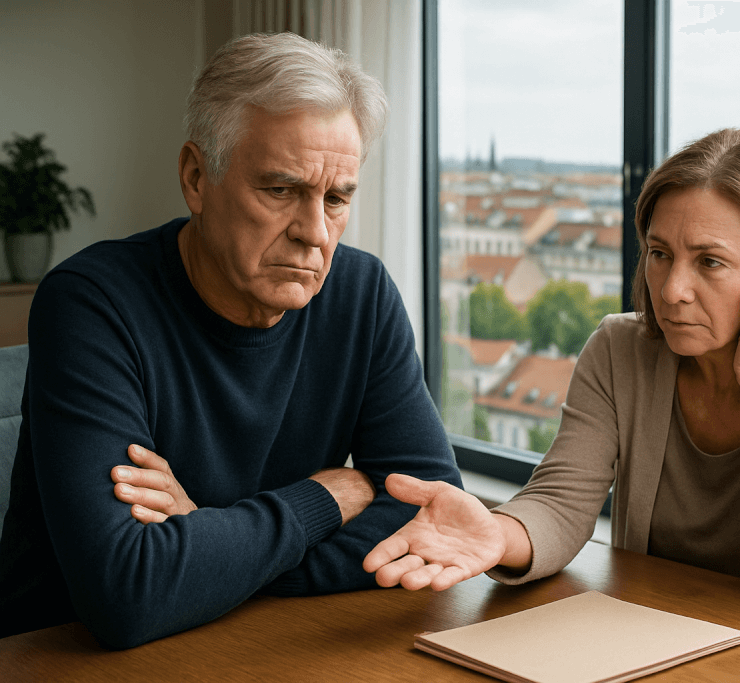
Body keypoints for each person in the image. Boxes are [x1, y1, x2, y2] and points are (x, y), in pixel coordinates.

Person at [0, 32, 461, 648]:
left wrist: (212, 544)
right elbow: (128, 591)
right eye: (281, 190)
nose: (314, 232)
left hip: (257, 637)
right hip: (59, 653)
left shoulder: (361, 292)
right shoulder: (91, 302)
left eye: (336, 197)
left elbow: (433, 516)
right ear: (197, 177)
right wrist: (328, 496)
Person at [364, 128, 740, 616]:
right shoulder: (620, 348)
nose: (672, 290)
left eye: (709, 261)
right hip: (667, 636)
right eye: (660, 253)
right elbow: (560, 502)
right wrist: (496, 532)